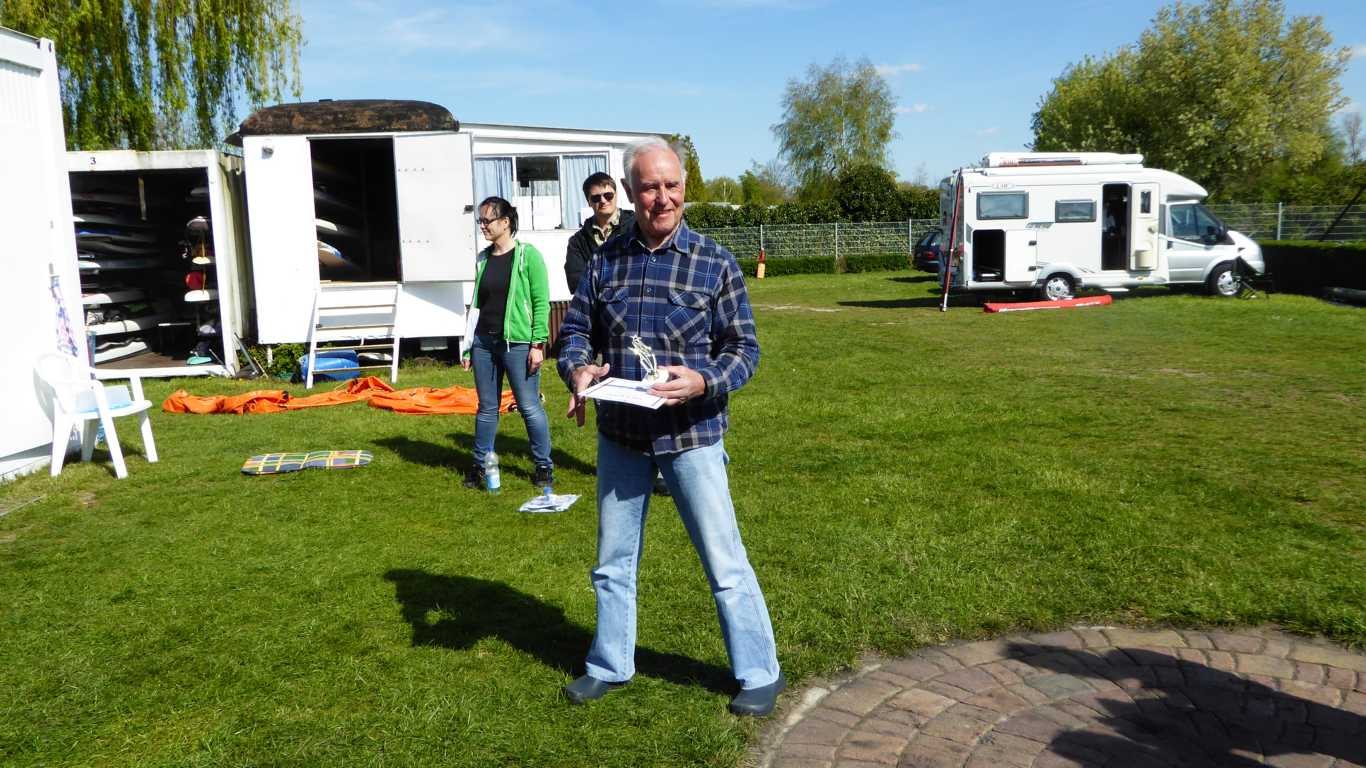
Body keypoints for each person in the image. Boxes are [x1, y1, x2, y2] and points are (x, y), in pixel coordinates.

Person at [555, 138, 784, 717]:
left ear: (685, 188)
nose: (662, 198)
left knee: (723, 560)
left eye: (672, 186)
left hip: (692, 438)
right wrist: (578, 369)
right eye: (650, 187)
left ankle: (759, 672)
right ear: (630, 193)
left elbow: (745, 349)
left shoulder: (715, 261)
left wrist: (704, 381)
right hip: (621, 437)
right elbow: (575, 331)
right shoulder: (606, 261)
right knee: (612, 562)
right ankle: (609, 664)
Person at [460, 196, 553, 490]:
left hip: (519, 344)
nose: (483, 226)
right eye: (481, 221)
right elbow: (476, 304)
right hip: (483, 343)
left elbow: (541, 302)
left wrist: (538, 344)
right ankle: (480, 466)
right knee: (487, 408)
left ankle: (543, 466)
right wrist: (468, 345)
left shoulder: (528, 256)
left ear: (505, 222)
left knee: (528, 406)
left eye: (487, 220)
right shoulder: (483, 259)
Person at [564, 172, 635, 297]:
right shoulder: (578, 242)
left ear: (616, 195)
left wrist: (595, 276)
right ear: (589, 202)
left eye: (608, 195)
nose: (603, 201)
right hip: (595, 308)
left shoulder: (636, 227)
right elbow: (576, 283)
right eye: (596, 198)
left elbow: (639, 273)